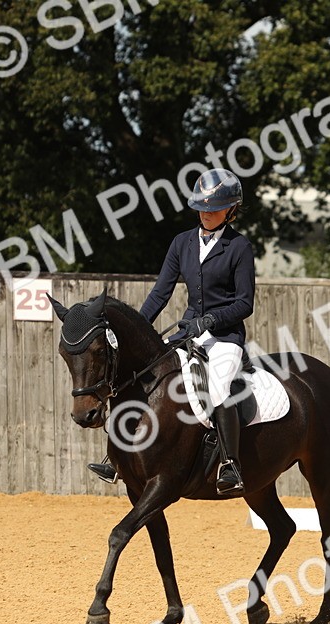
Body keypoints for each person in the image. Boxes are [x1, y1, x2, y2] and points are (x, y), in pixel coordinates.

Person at [88, 168, 255, 496]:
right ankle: (117, 456)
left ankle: (230, 464)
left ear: (231, 209)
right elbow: (160, 292)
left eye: (214, 209)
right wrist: (136, 329)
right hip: (187, 332)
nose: (206, 214)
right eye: (202, 208)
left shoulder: (239, 247)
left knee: (219, 387)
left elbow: (244, 303)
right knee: (145, 376)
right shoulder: (182, 243)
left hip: (224, 337)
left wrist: (210, 321)